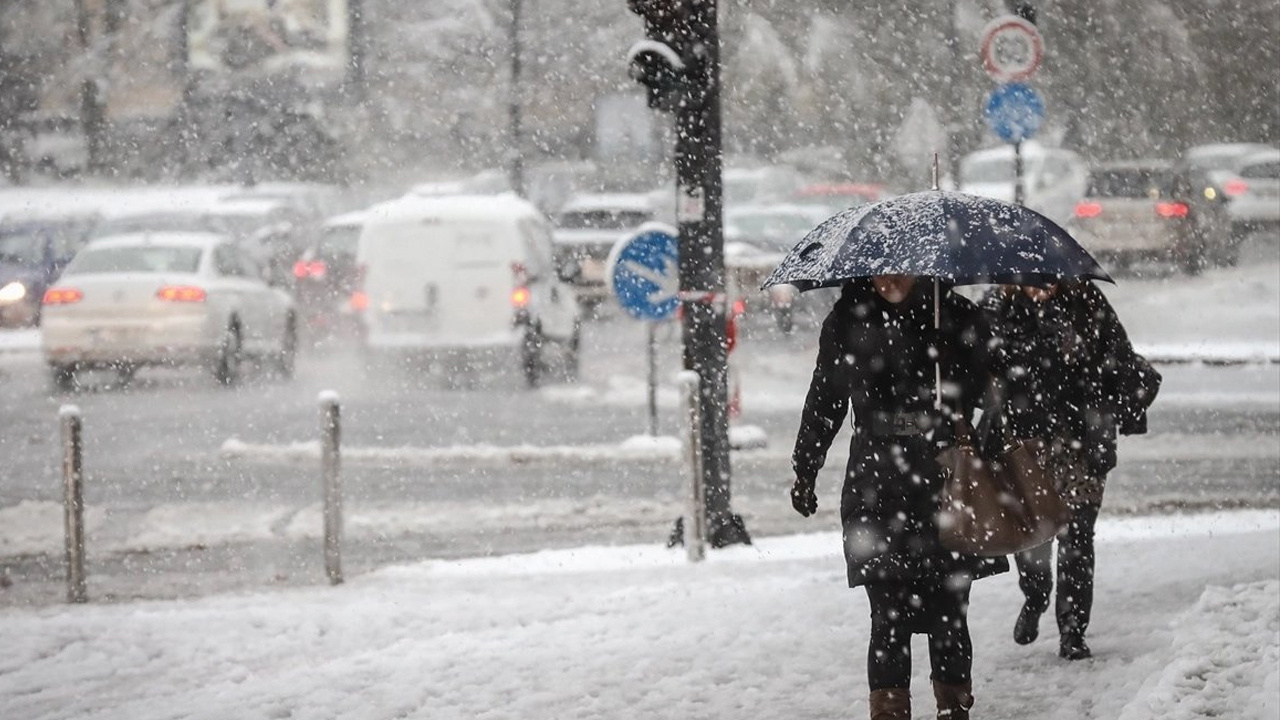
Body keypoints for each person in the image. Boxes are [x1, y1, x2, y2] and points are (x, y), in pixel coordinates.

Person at [790, 275, 1008, 720]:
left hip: (945, 476)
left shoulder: (955, 315)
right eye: (881, 268)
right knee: (887, 612)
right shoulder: (848, 320)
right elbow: (826, 398)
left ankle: (954, 707)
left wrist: (955, 370)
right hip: (877, 481)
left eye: (902, 268)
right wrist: (805, 468)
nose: (891, 277)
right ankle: (889, 712)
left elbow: (997, 390)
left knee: (950, 609)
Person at [981, 279, 1159, 661]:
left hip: (1080, 443)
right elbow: (979, 369)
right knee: (1032, 538)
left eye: (1048, 280)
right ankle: (1035, 595)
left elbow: (1120, 358)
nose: (1041, 287)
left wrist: (1092, 364)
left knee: (1077, 539)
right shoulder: (998, 308)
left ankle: (1073, 630)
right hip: (1026, 444)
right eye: (1031, 280)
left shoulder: (1086, 302)